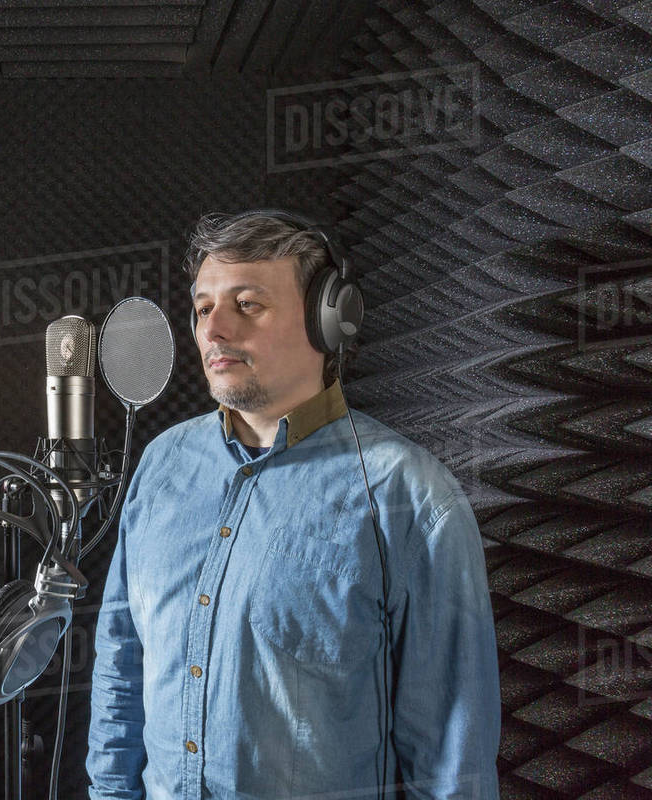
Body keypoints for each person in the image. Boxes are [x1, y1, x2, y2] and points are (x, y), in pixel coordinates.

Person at [85, 211, 501, 799]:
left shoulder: (410, 499)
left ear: (328, 320)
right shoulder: (162, 466)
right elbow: (120, 666)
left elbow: (451, 761)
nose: (213, 331)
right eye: (204, 308)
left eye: (247, 304)